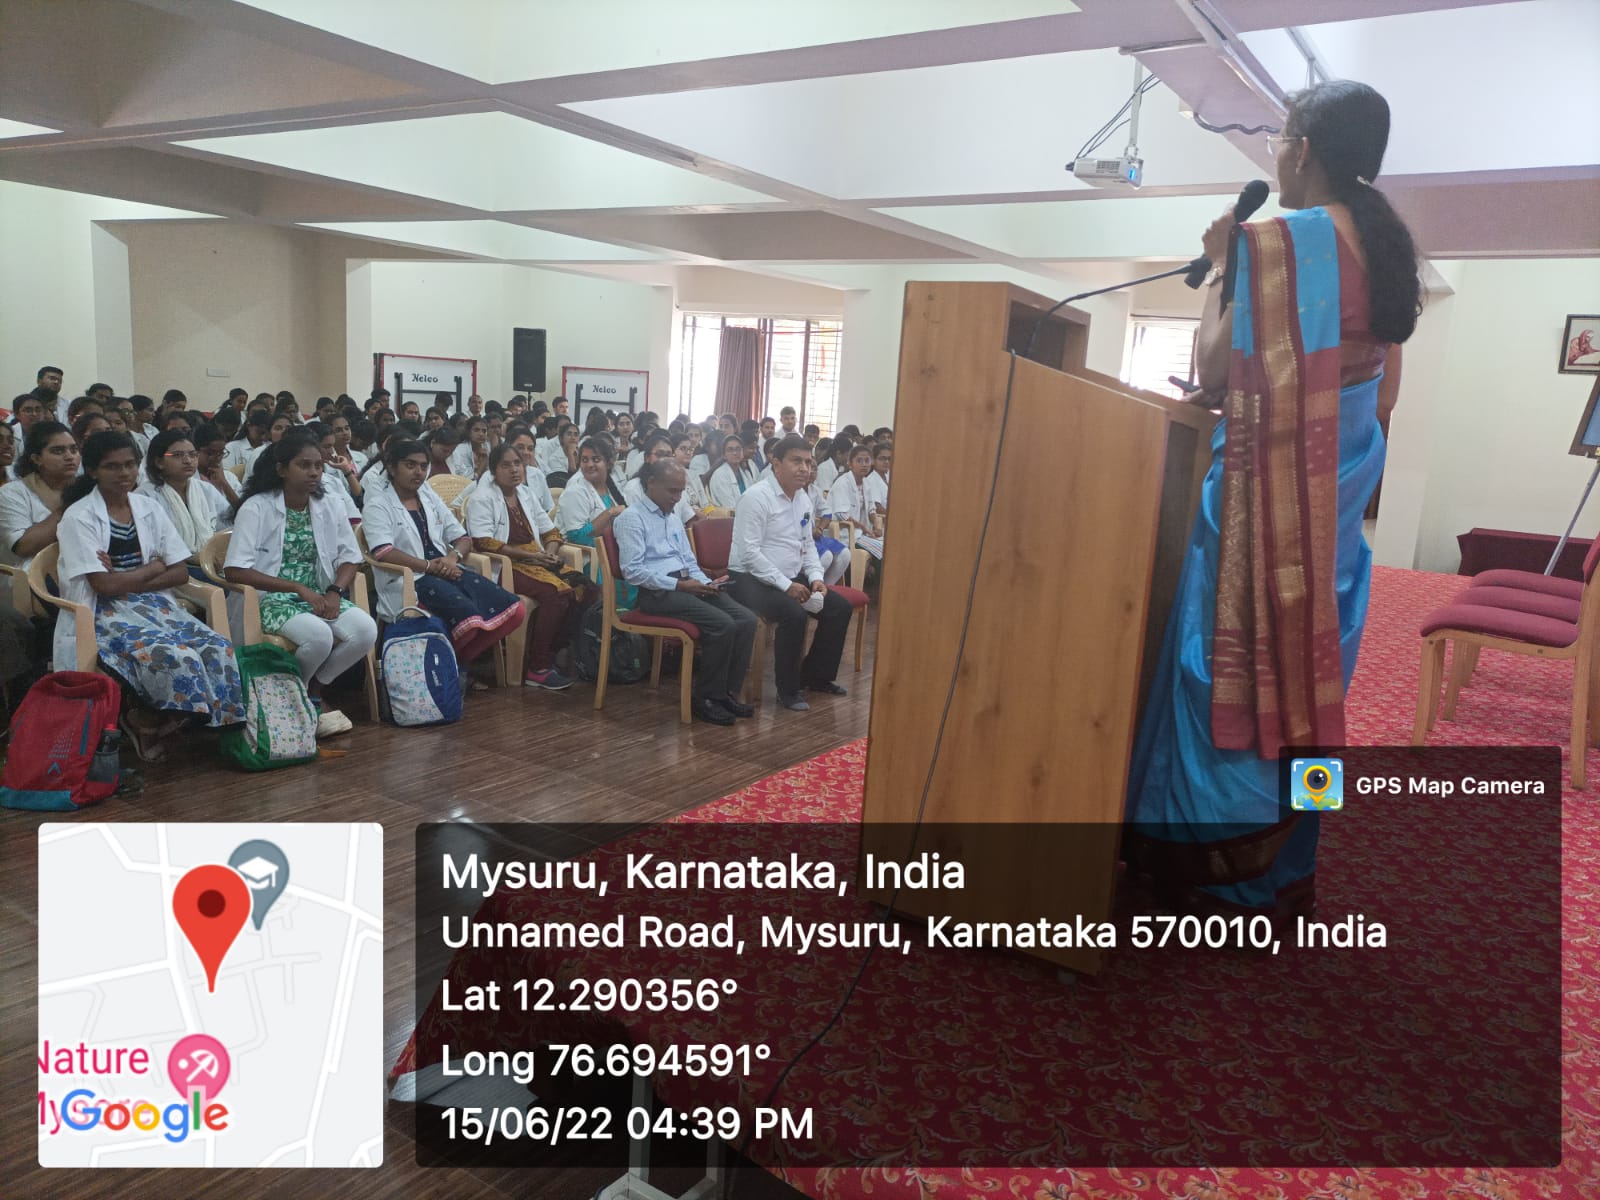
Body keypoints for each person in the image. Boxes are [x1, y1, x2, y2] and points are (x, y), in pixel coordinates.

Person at [1127, 80, 1422, 922]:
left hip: (1263, 506)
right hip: (1334, 518)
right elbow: (1375, 388)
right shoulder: (1386, 243)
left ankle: (1211, 877)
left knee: (1224, 679)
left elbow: (1219, 373)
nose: (1276, 158)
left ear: (1303, 149)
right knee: (1306, 696)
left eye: (1281, 141)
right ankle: (1284, 868)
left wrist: (1222, 263)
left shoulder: (1278, 243)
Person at [57, 432, 245, 759]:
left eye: (130, 464)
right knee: (175, 655)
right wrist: (150, 569)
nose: (124, 473)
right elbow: (103, 586)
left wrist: (128, 577)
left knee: (217, 647)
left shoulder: (146, 507)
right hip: (102, 612)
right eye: (112, 467)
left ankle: (165, 721)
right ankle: (146, 717)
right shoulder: (79, 517)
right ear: (92, 471)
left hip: (154, 604)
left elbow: (180, 571)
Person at [225, 431, 375, 737]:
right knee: (318, 636)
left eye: (318, 465)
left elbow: (351, 558)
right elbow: (235, 571)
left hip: (319, 594)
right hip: (271, 598)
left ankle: (314, 690)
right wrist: (296, 588)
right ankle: (300, 696)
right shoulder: (257, 507)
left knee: (365, 630)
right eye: (303, 465)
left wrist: (335, 591)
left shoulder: (329, 504)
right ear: (281, 469)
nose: (314, 472)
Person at [363, 440, 525, 679]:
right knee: (469, 619)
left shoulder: (428, 499)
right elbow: (383, 552)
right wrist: (430, 567)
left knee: (516, 610)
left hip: (447, 569)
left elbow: (462, 537)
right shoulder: (378, 504)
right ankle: (450, 670)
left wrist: (452, 557)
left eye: (423, 466)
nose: (418, 472)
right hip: (412, 578)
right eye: (410, 465)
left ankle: (453, 666)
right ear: (391, 466)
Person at [616, 460, 757, 725]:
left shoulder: (672, 517)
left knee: (746, 620)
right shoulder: (631, 518)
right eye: (672, 491)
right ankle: (705, 698)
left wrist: (706, 583)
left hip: (687, 585)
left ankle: (726, 693)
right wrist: (681, 585)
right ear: (651, 484)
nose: (677, 497)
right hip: (657, 593)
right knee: (722, 624)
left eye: (681, 491)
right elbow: (632, 572)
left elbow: (688, 560)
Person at [728, 435, 853, 711]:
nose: (804, 469)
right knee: (794, 614)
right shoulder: (756, 497)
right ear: (776, 463)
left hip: (786, 576)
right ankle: (789, 689)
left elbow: (807, 544)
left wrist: (816, 577)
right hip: (747, 579)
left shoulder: (803, 499)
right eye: (796, 461)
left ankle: (817, 677)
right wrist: (787, 586)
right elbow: (749, 554)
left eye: (808, 463)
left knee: (839, 608)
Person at [465, 443, 585, 689]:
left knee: (584, 587)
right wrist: (530, 556)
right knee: (556, 594)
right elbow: (483, 541)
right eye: (506, 465)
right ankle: (537, 667)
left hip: (536, 558)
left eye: (517, 463)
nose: (514, 470)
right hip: (505, 566)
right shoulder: (482, 497)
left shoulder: (525, 494)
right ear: (494, 470)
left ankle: (551, 653)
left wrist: (548, 554)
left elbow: (551, 531)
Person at [139, 428, 228, 562]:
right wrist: (192, 558)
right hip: (172, 569)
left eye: (193, 454)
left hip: (210, 562)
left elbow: (228, 527)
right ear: (159, 462)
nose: (188, 461)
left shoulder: (205, 489)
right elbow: (150, 548)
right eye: (177, 455)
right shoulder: (145, 496)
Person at [0, 422, 78, 568]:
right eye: (58, 451)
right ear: (37, 459)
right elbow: (23, 546)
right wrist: (69, 506)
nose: (69, 456)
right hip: (28, 577)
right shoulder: (12, 493)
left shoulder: (87, 487)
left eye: (74, 449)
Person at [828, 442, 885, 562]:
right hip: (845, 534)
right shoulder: (842, 483)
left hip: (862, 533)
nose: (864, 465)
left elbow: (871, 509)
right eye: (859, 461)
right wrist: (865, 528)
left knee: (889, 546)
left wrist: (876, 523)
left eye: (867, 461)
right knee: (882, 549)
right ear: (850, 463)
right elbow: (842, 514)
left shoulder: (866, 483)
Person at [191, 422, 242, 510]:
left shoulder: (229, 476)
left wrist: (224, 483)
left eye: (221, 452)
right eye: (210, 453)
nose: (217, 457)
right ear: (195, 451)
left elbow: (242, 509)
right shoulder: (189, 478)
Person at [707, 434, 755, 509]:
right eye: (730, 450)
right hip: (729, 518)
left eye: (738, 449)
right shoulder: (720, 475)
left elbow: (754, 498)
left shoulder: (746, 473)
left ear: (742, 451)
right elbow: (730, 506)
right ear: (724, 455)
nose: (735, 453)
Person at [670, 434, 709, 511]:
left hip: (703, 518)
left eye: (690, 449)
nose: (688, 452)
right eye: (683, 448)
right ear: (672, 451)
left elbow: (705, 504)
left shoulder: (693, 474)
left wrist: (709, 515)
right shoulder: (668, 476)